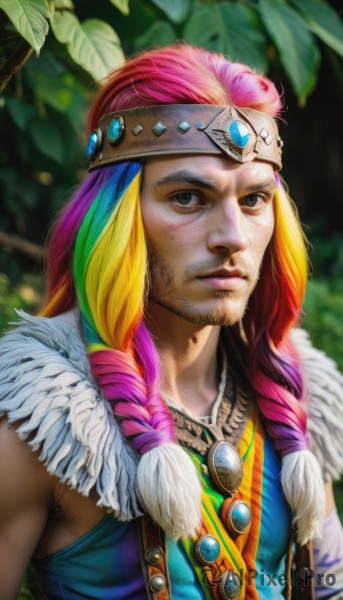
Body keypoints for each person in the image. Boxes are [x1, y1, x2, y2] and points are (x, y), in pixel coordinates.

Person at [0, 43, 343, 600]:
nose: (232, 236)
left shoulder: (297, 393)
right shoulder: (42, 418)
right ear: (117, 217)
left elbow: (330, 585)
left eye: (254, 200)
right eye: (188, 197)